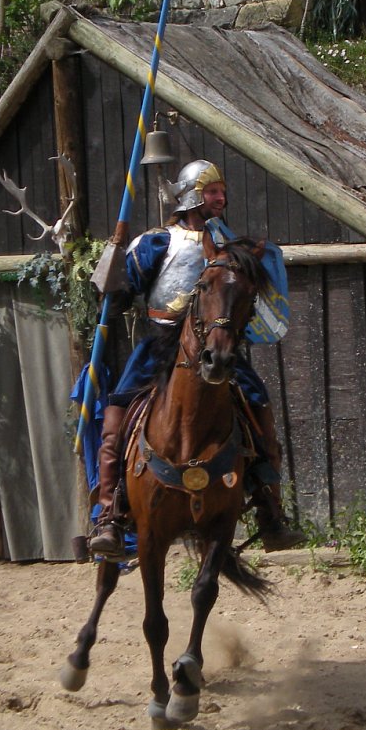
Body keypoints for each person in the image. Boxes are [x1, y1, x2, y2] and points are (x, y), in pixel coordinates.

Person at [88, 159, 307, 559]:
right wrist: (114, 259)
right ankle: (110, 513)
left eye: (222, 191)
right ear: (192, 196)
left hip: (216, 344)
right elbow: (118, 294)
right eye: (212, 191)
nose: (220, 198)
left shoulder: (231, 248)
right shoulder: (158, 242)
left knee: (258, 408)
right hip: (161, 344)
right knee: (117, 419)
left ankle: (269, 509)